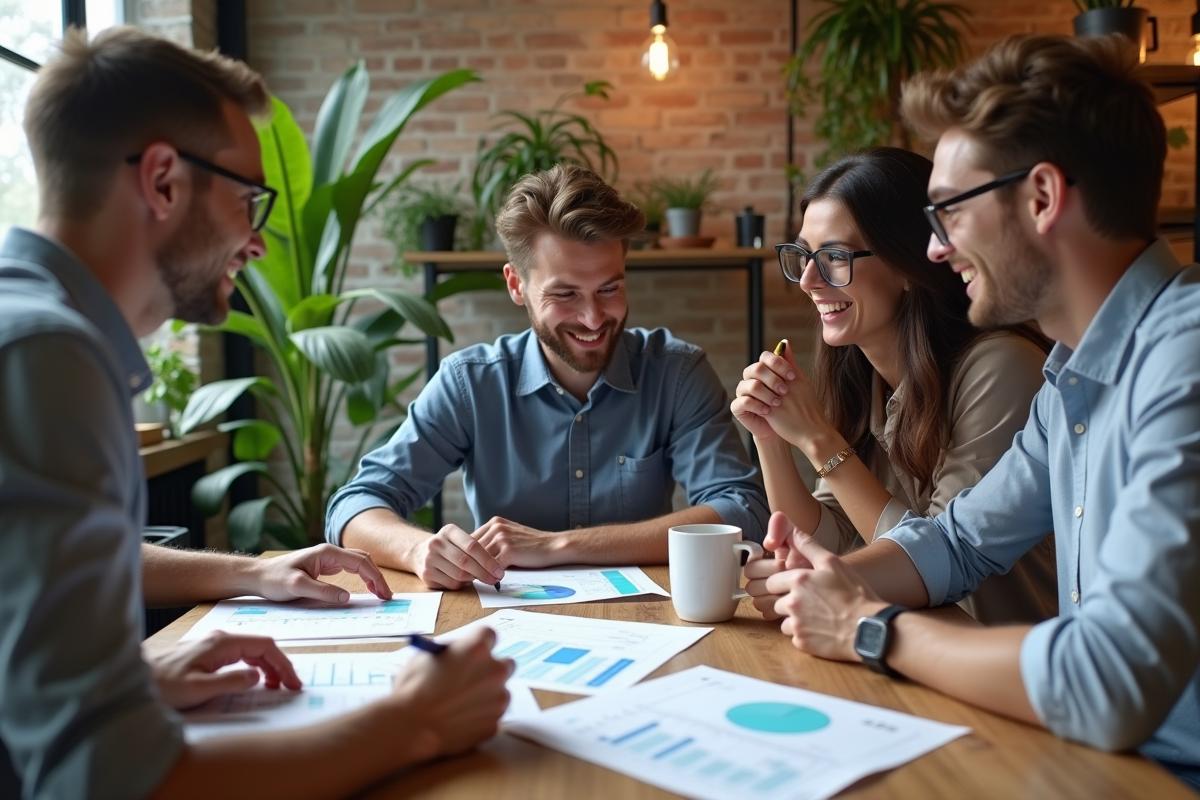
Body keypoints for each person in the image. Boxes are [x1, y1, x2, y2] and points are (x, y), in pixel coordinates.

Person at [0, 27, 510, 800]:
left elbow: (33, 575)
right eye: (249, 200)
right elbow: (101, 780)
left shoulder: (30, 328)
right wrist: (416, 723)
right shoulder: (48, 358)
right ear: (164, 181)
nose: (260, 242)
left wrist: (147, 657)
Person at [744, 33, 1200, 787]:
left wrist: (870, 628)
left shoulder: (1182, 361)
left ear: (1043, 198)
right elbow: (957, 544)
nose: (933, 250)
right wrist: (830, 577)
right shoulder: (1071, 378)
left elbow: (1108, 677)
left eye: (949, 211)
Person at [327, 164, 768, 589]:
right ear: (516, 286)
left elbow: (741, 508)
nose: (593, 318)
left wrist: (557, 546)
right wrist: (418, 550)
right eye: (566, 294)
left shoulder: (677, 373)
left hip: (644, 617)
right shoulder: (470, 383)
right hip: (502, 627)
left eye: (609, 289)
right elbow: (354, 506)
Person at [732, 147, 1056, 625]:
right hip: (910, 646)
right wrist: (771, 439)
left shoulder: (1000, 368)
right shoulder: (861, 375)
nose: (807, 281)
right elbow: (831, 539)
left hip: (993, 655)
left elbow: (936, 561)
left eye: (835, 257)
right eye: (802, 255)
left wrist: (819, 441)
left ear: (908, 263)